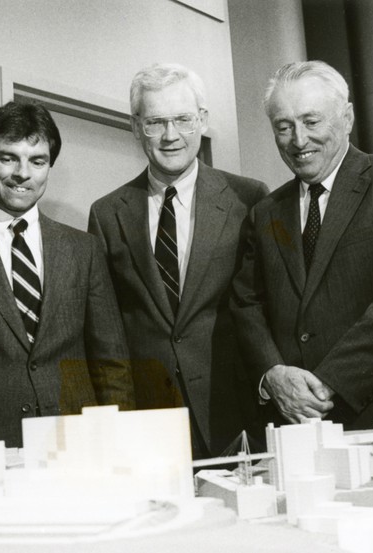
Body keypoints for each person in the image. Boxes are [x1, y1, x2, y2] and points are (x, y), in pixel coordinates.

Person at [230, 60, 373, 449]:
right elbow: (246, 303)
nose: (298, 140)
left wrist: (328, 381)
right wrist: (273, 374)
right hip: (297, 428)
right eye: (284, 127)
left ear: (346, 118)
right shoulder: (265, 213)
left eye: (311, 122)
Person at [0, 101, 135, 447]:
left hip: (78, 441)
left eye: (37, 161)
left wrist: (120, 445)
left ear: (48, 167)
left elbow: (112, 365)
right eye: (8, 158)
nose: (23, 173)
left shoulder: (84, 249)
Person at [88, 63, 268, 459]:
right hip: (147, 416)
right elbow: (106, 328)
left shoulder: (249, 199)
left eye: (183, 120)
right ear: (136, 127)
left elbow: (264, 307)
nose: (171, 136)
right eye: (155, 123)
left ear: (202, 121)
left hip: (235, 409)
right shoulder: (106, 214)